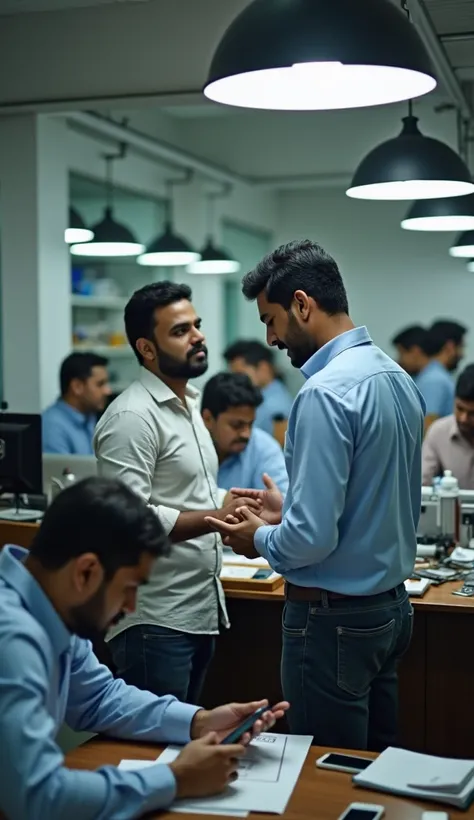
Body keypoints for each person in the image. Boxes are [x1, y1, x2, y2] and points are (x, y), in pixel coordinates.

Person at [206, 239, 425, 752]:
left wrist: (258, 537)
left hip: (334, 620)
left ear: (302, 304)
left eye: (271, 319)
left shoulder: (325, 392)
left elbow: (309, 541)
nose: (270, 337)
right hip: (389, 612)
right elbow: (371, 499)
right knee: (371, 768)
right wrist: (290, 511)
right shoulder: (395, 376)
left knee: (324, 773)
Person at [0, 476, 287, 820]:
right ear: (86, 572)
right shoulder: (13, 637)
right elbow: (38, 797)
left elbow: (97, 698)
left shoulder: (50, 607)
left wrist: (200, 721)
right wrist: (175, 778)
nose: (132, 606)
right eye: (129, 588)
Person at [94, 282, 260, 703]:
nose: (199, 337)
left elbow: (187, 493)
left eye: (197, 326)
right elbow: (129, 521)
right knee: (154, 752)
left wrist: (236, 503)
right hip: (154, 619)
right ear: (147, 349)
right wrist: (216, 517)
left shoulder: (191, 403)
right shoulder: (132, 416)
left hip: (197, 610)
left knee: (181, 746)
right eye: (181, 330)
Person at [201, 372, 288, 495]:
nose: (246, 434)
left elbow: (280, 504)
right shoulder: (183, 447)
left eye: (251, 424)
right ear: (208, 419)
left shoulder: (264, 448)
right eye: (237, 425)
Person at [42, 351, 111, 454]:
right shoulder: (52, 426)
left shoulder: (89, 416)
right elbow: (59, 470)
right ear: (77, 387)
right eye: (100, 384)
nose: (107, 391)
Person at [224, 339, 293, 436]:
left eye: (240, 374)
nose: (235, 381)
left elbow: (280, 448)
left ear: (263, 368)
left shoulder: (278, 407)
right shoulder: (258, 399)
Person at [422, 364, 474, 489]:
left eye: (472, 413)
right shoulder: (439, 432)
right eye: (459, 408)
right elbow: (422, 485)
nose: (463, 418)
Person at [416, 319, 466, 430]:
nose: (463, 354)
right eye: (461, 347)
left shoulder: (433, 375)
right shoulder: (435, 380)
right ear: (450, 347)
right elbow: (428, 426)